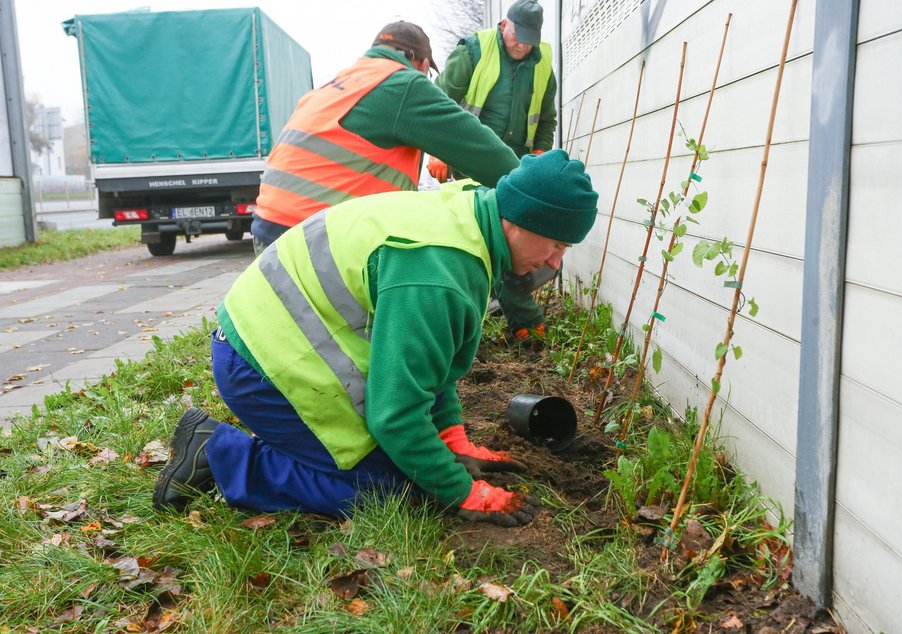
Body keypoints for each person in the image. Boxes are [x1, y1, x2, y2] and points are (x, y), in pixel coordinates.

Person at [153, 150, 599, 528]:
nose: (555, 263)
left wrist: (451, 438)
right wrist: (460, 492)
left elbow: (432, 363)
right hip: (261, 365)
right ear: (520, 220)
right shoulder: (438, 271)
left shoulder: (468, 217)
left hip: (277, 339)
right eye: (557, 245)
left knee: (413, 464)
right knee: (390, 489)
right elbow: (396, 416)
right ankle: (220, 453)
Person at [250, 20, 521, 253]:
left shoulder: (337, 84)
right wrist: (532, 187)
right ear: (423, 64)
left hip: (268, 229)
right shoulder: (403, 84)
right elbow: (485, 153)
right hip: (313, 240)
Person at [430, 0, 558, 343]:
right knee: (489, 234)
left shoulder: (542, 63)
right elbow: (436, 102)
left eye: (529, 39)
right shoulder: (474, 51)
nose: (522, 44)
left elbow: (547, 118)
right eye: (518, 35)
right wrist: (437, 150)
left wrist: (541, 152)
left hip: (515, 167)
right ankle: (523, 321)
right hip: (469, 161)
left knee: (510, 236)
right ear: (504, 25)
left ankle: (500, 311)